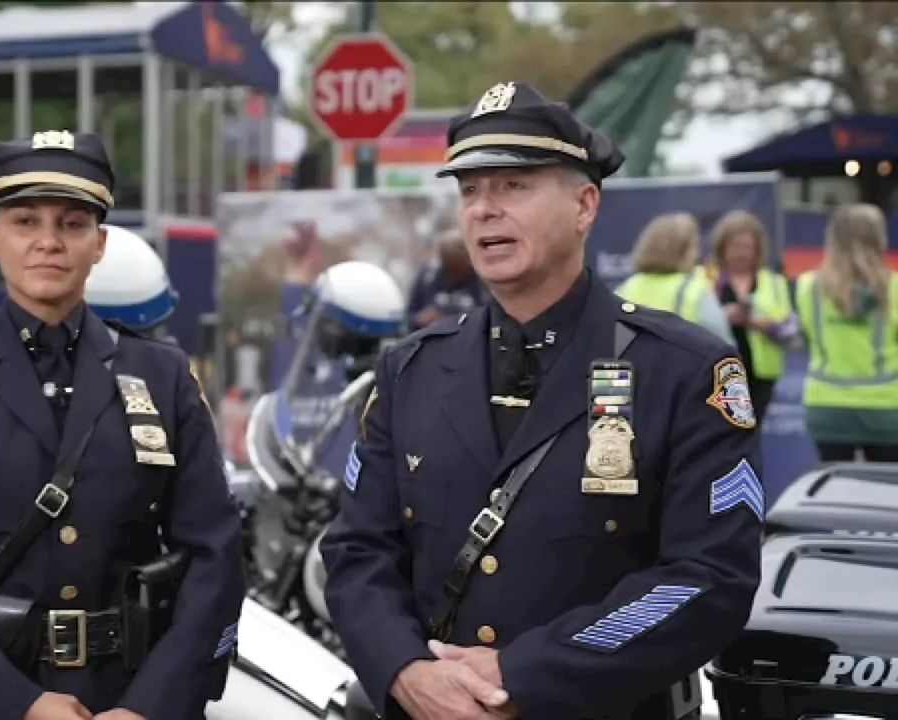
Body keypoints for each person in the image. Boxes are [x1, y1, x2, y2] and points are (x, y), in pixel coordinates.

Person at [320, 81, 763, 720]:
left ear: (585, 205)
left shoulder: (686, 370)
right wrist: (407, 670)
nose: (483, 209)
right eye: (469, 190)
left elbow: (709, 578)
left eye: (514, 186)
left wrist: (520, 674)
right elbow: (357, 551)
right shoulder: (411, 369)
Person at [0, 129, 245, 720]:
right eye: (24, 221)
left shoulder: (162, 376)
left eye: (71, 223)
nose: (48, 242)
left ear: (99, 242)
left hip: (131, 696)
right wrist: (20, 705)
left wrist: (149, 706)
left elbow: (215, 556)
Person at [796, 203, 898, 463]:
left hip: (826, 405)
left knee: (834, 490)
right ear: (879, 239)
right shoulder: (894, 287)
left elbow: (806, 336)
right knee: (886, 496)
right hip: (886, 407)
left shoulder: (808, 287)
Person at [705, 210, 798, 422]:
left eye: (747, 247)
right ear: (722, 248)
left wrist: (756, 323)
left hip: (760, 375)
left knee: (752, 433)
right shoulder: (706, 279)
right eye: (735, 247)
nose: (742, 253)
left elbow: (791, 330)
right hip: (713, 374)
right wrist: (722, 316)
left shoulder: (774, 283)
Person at [615, 212, 736, 346]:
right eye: (694, 245)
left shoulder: (626, 287)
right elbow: (725, 345)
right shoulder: (695, 289)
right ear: (684, 250)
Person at [407, 228, 486, 329]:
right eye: (450, 268)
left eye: (458, 268)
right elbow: (408, 318)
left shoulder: (481, 281)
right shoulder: (427, 278)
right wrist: (420, 319)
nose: (453, 275)